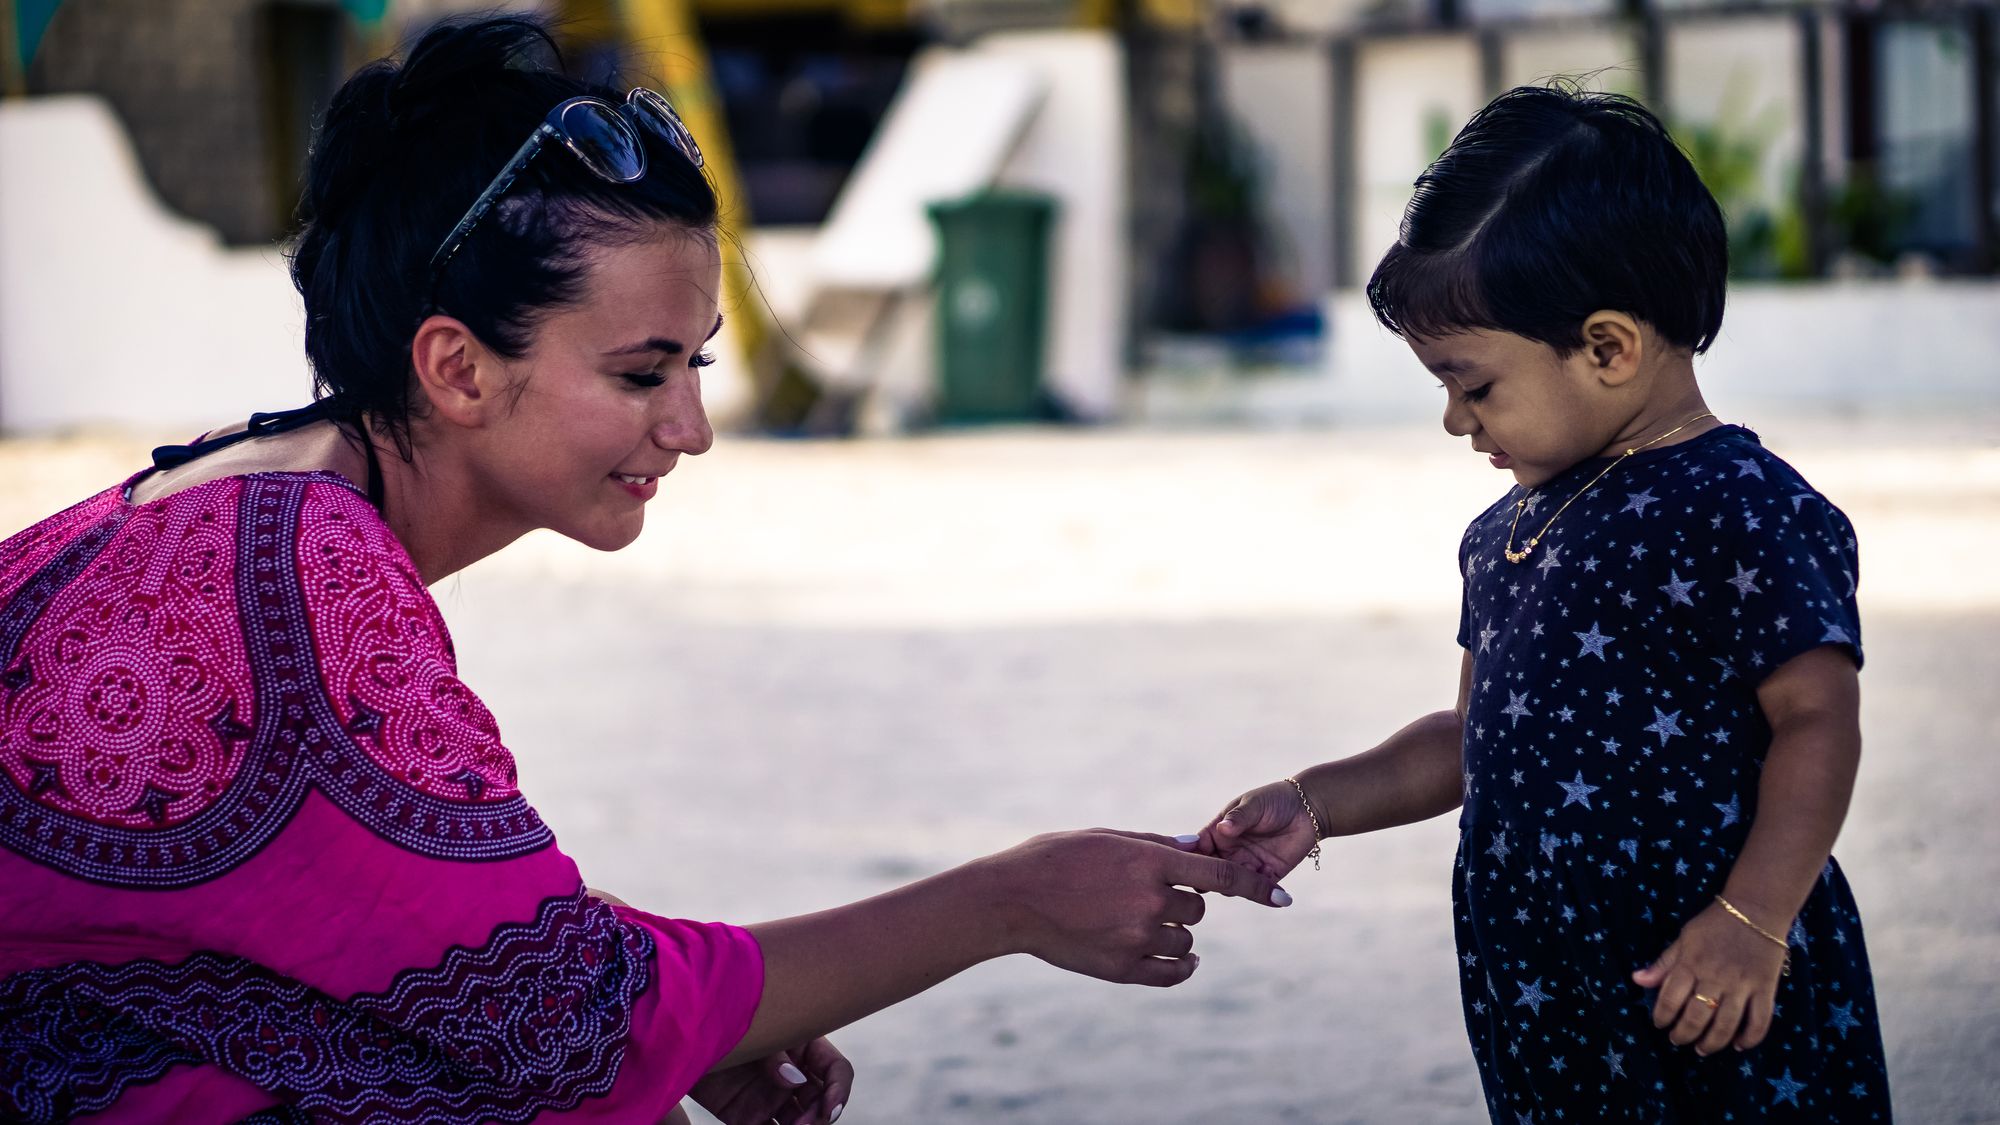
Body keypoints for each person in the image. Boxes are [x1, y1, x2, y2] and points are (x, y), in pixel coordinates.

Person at [0, 18, 1289, 1124]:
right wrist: (1012, 899)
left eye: (697, 365)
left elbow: (418, 930)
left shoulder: (232, 495)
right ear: (455, 369)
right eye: (639, 373)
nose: (691, 427)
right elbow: (568, 1014)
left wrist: (707, 1016)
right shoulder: (301, 577)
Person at [1194, 85, 1891, 1122]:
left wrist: (1752, 917)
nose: (1451, 419)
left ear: (1607, 347)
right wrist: (1314, 800)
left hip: (1712, 980)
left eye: (1472, 385)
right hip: (1547, 994)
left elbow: (1815, 721)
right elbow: (1476, 739)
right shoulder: (1505, 533)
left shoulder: (1737, 506)